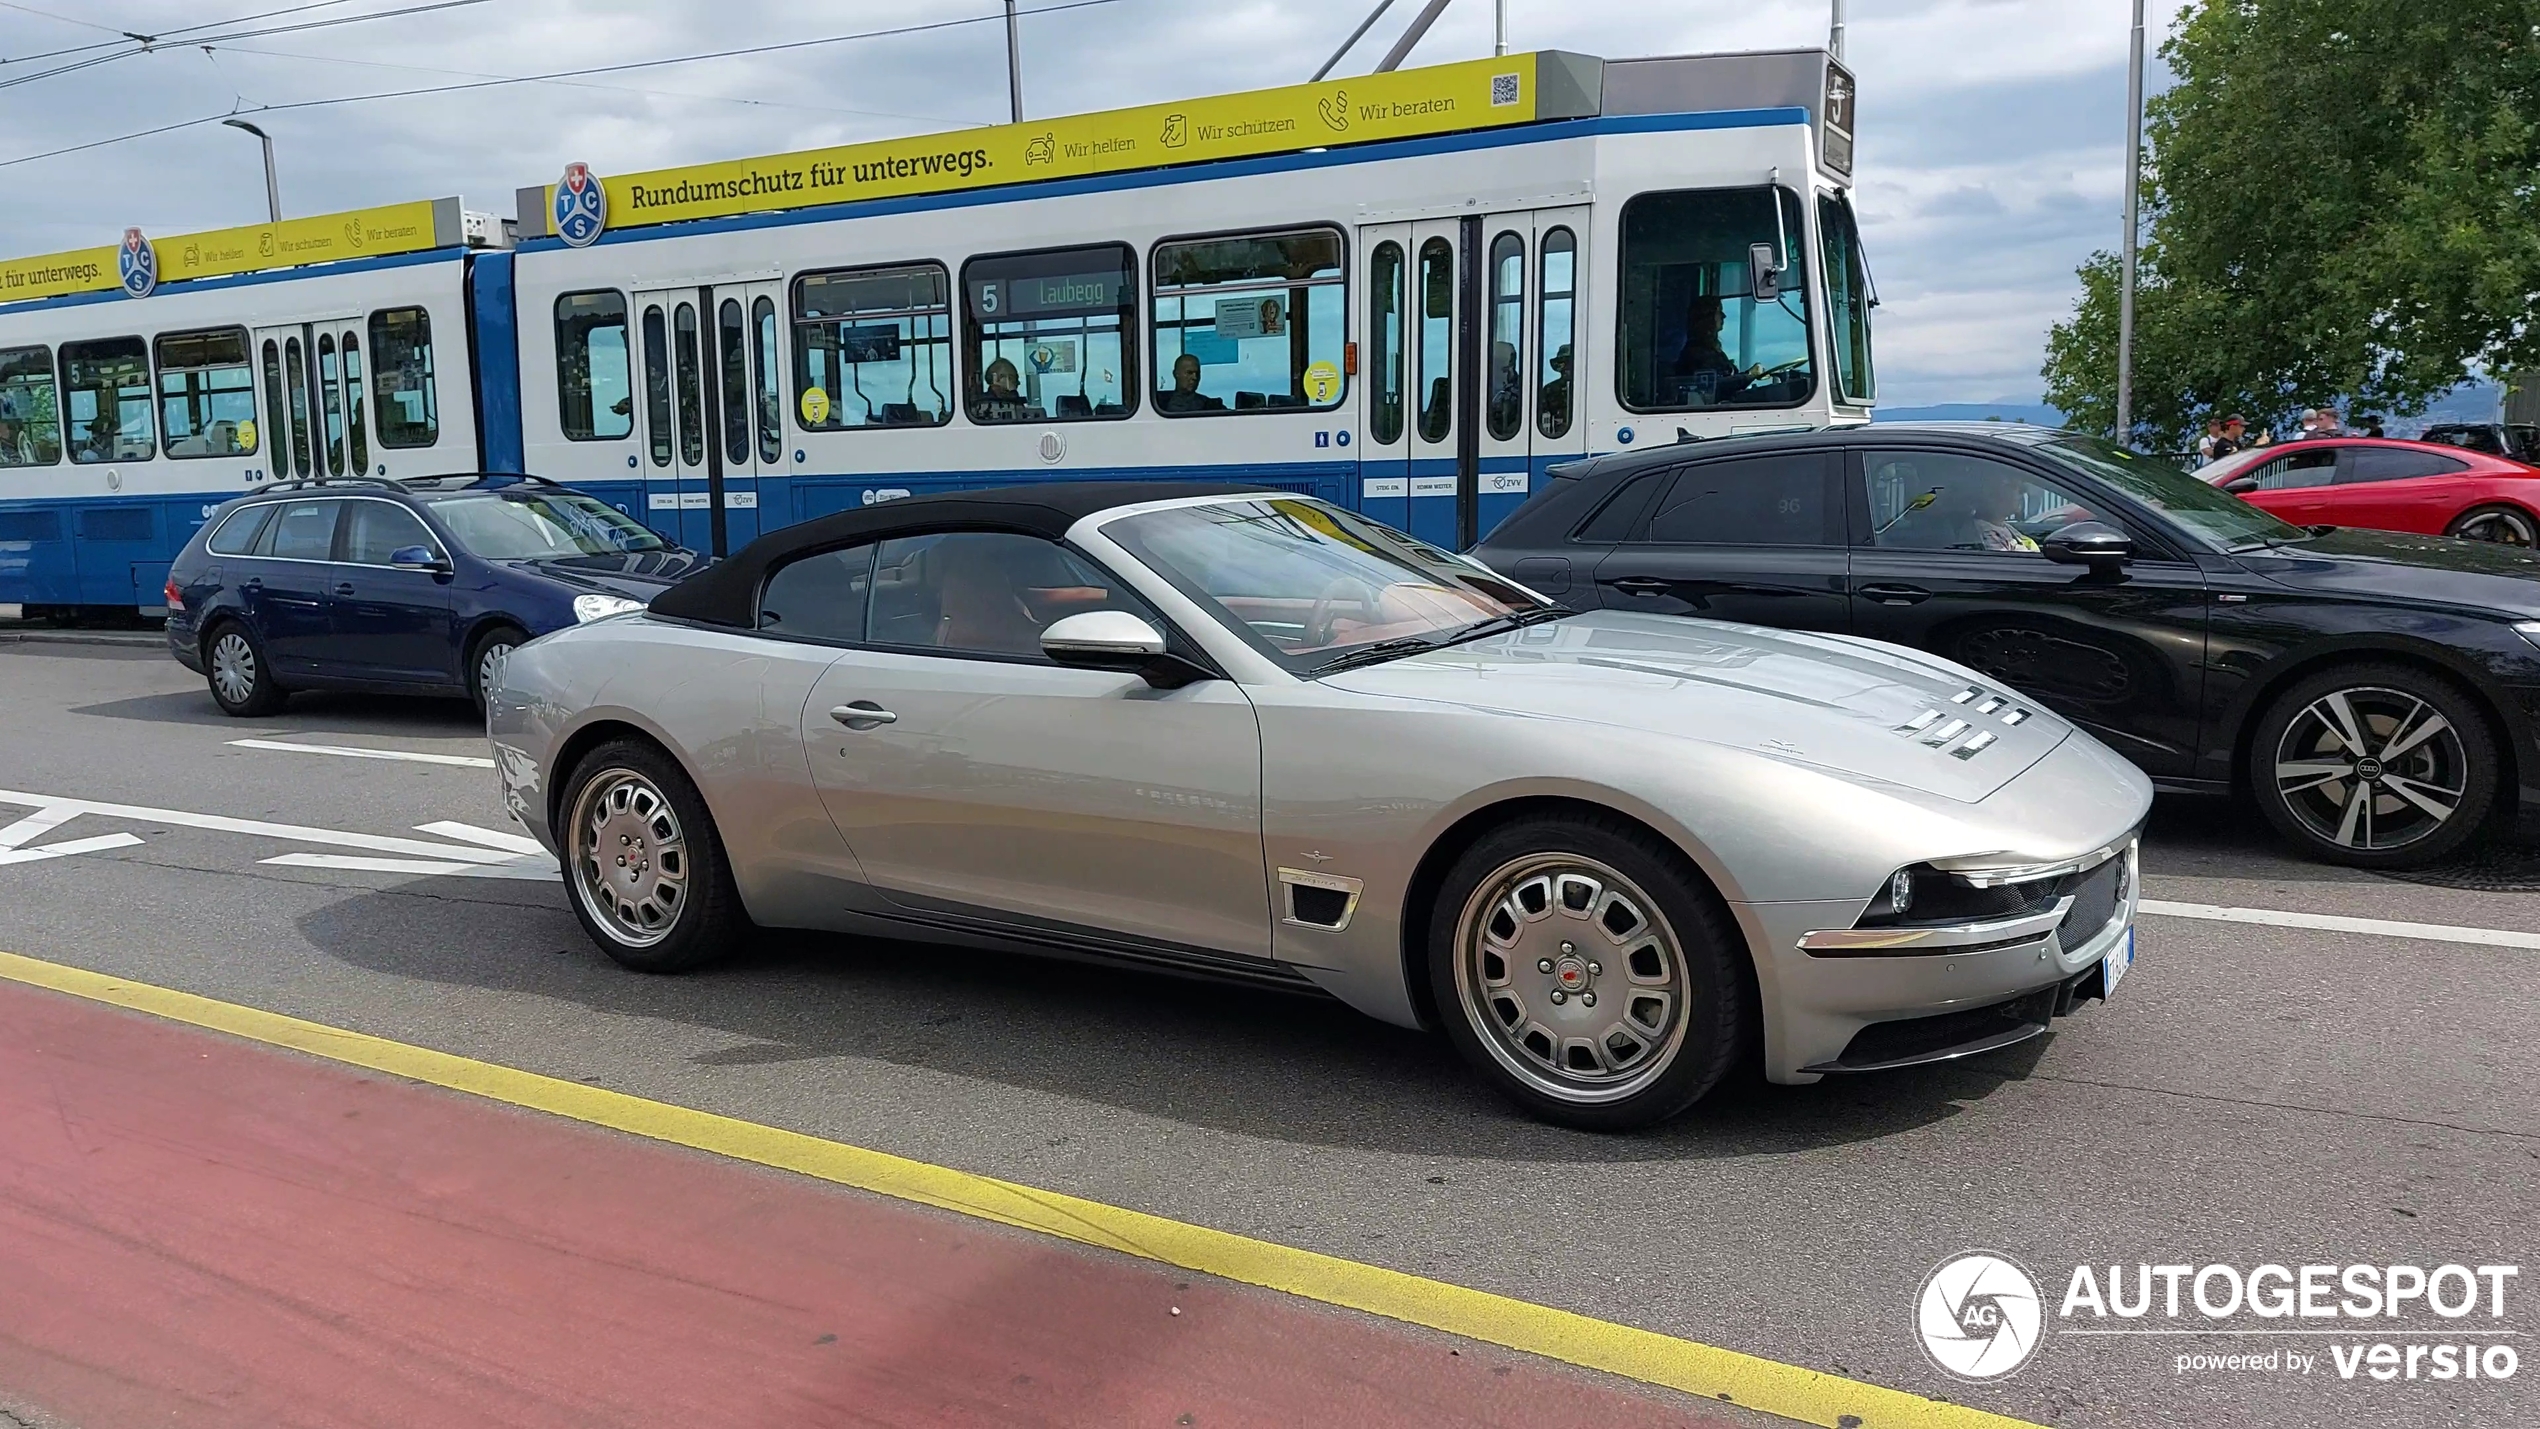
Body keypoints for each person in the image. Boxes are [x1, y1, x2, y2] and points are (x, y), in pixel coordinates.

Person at [1879, 460, 2040, 553]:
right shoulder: (1982, 535)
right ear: (1989, 495)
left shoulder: (2002, 527)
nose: (2022, 492)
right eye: (2011, 486)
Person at [1671, 294, 1757, 404]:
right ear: (1708, 317)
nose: (1723, 316)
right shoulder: (1698, 353)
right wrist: (1749, 375)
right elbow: (1715, 387)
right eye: (1719, 312)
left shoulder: (1709, 350)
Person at [1155, 353, 1224, 414]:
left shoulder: (1211, 406)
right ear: (1176, 374)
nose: (1194, 377)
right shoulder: (1158, 402)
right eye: (1189, 373)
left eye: (1197, 373)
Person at [974, 357, 1034, 423]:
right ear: (996, 379)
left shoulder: (1016, 402)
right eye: (1012, 378)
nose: (1018, 383)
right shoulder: (982, 406)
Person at [1537, 343, 1573, 432]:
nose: (1565, 368)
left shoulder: (1590, 391)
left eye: (1568, 363)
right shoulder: (1550, 389)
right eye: (1562, 364)